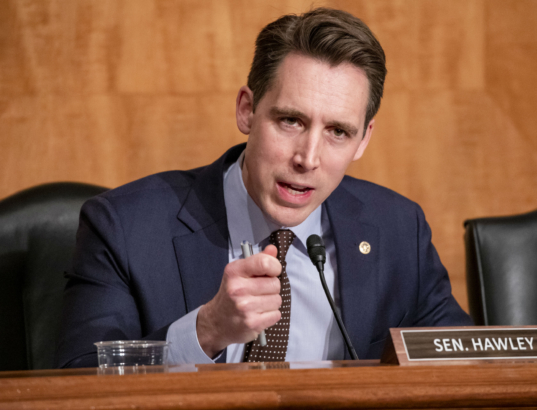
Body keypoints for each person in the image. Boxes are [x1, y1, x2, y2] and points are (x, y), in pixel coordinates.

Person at [56, 8, 472, 368]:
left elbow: (464, 362)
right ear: (247, 110)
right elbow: (78, 381)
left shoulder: (397, 229)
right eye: (291, 121)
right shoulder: (126, 227)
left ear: (363, 139)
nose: (307, 158)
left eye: (338, 132)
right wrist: (205, 332)